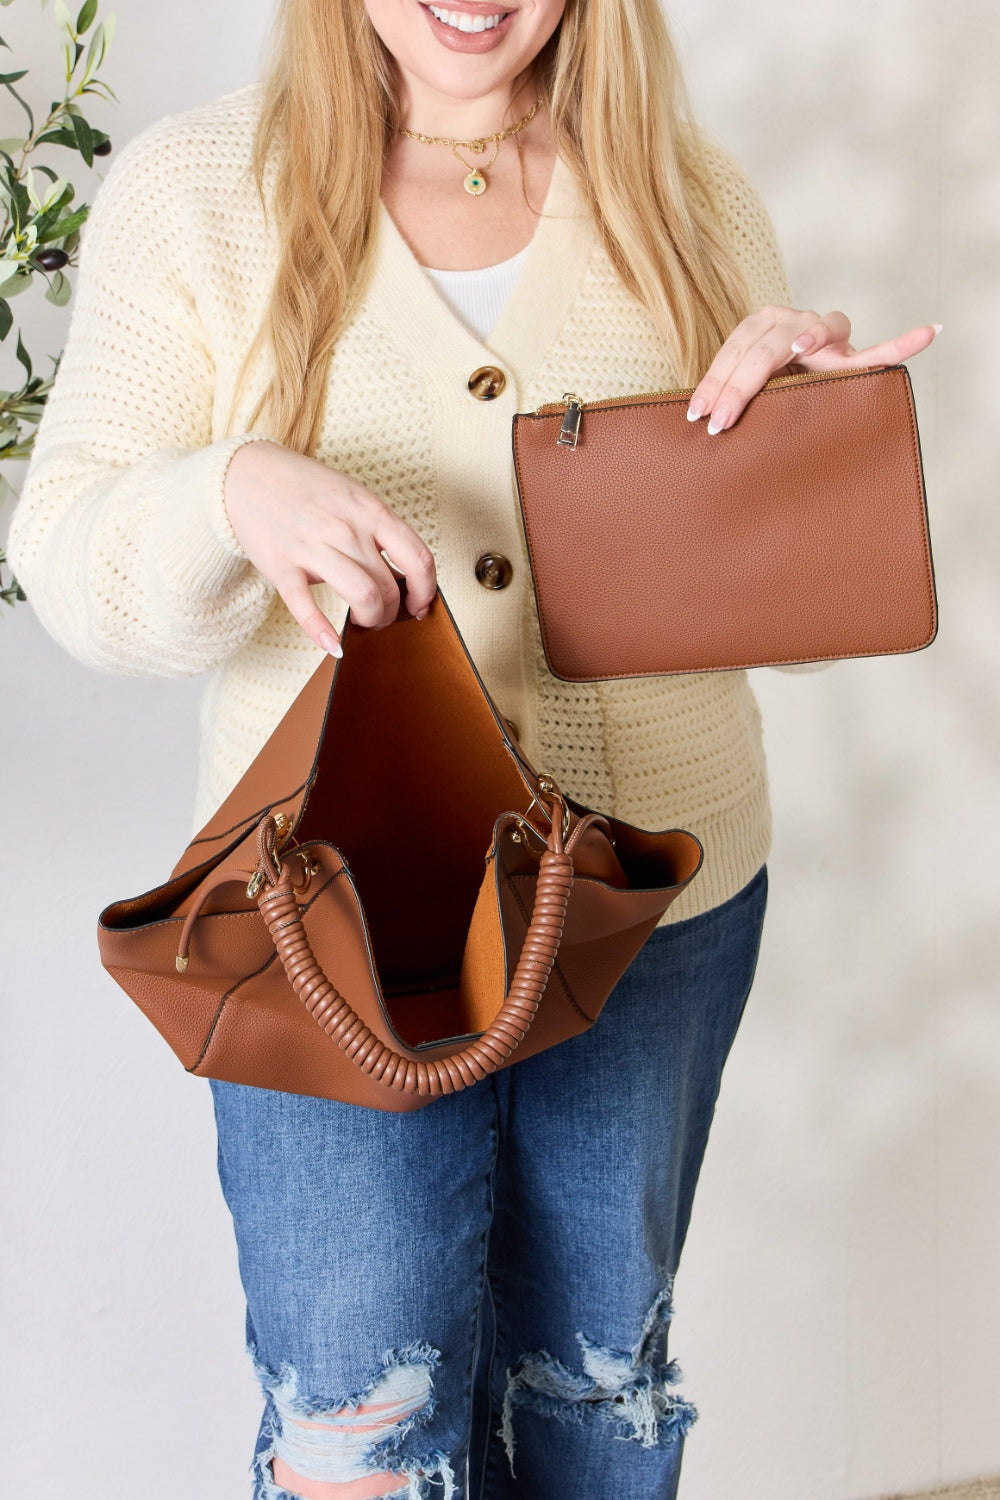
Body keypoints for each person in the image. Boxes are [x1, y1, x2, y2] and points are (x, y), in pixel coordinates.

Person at [7, 1, 938, 1496]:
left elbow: (795, 611)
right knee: (353, 1424)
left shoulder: (688, 197)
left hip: (655, 903)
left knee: (594, 1379)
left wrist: (810, 463)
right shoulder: (197, 194)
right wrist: (227, 492)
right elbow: (66, 562)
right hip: (330, 921)